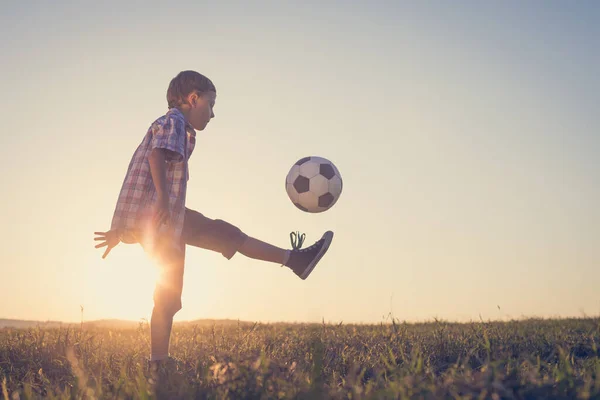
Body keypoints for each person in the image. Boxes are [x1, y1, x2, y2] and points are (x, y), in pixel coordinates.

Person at [93, 70, 334, 367]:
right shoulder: (174, 122)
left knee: (178, 284)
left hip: (166, 220)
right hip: (163, 218)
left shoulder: (176, 126)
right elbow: (156, 157)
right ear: (193, 99)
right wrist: (165, 204)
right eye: (211, 105)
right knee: (218, 243)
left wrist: (120, 230)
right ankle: (294, 260)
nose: (213, 114)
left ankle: (159, 362)